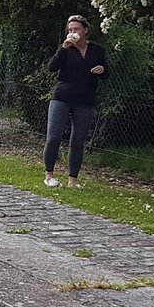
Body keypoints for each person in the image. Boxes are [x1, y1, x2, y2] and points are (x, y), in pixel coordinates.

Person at [44, 14, 108, 188]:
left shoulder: (96, 50)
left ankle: (73, 180)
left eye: (76, 29)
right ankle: (49, 175)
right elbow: (52, 67)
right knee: (54, 136)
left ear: (85, 30)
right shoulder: (66, 49)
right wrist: (63, 48)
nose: (73, 32)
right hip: (62, 97)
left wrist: (102, 70)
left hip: (85, 99)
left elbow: (106, 73)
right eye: (70, 29)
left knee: (78, 140)